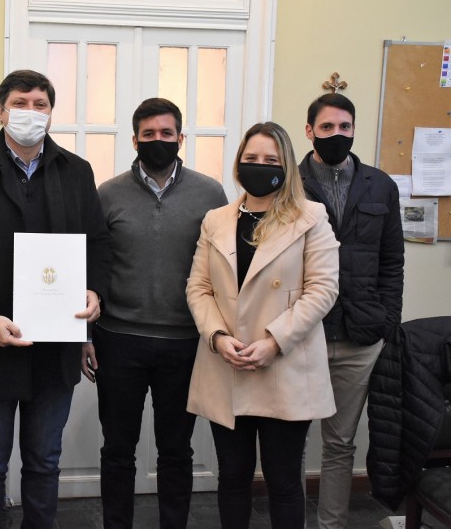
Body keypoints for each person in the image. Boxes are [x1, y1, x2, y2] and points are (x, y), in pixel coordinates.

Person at [0, 69, 112, 528]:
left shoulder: (76, 172)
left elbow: (96, 243)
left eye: (40, 104)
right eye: (20, 103)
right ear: (1, 111)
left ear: (51, 114)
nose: (30, 112)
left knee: (44, 461)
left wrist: (95, 292)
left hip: (55, 347)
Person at [81, 97, 227, 528]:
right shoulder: (108, 194)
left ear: (181, 138)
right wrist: (84, 337)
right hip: (118, 341)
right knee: (117, 450)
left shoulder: (210, 193)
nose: (158, 141)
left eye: (166, 133)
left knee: (176, 451)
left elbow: (222, 269)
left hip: (185, 343)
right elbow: (91, 267)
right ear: (135, 140)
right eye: (148, 134)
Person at [185, 122, 340, 528]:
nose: (259, 165)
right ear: (239, 162)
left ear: (285, 165)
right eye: (251, 158)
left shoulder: (310, 217)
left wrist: (274, 341)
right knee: (233, 477)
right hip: (227, 363)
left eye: (270, 160)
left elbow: (323, 289)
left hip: (284, 366)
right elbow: (198, 287)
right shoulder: (216, 219)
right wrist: (217, 337)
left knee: (283, 480)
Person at [299, 93, 405, 529]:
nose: (336, 134)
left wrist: (387, 320)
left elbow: (392, 261)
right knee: (289, 444)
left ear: (354, 129)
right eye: (327, 127)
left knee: (340, 444)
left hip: (360, 336)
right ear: (310, 131)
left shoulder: (381, 186)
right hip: (303, 335)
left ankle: (332, 525)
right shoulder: (290, 183)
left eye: (345, 127)